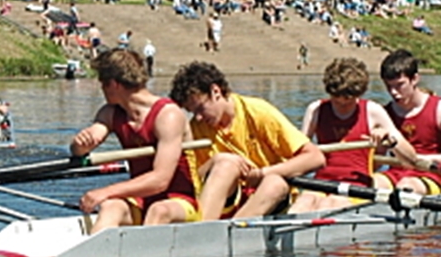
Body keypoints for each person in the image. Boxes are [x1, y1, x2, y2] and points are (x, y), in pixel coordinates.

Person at [168, 61, 325, 220]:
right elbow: (192, 181)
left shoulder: (258, 112)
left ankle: (233, 228)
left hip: (268, 197)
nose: (198, 118)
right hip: (228, 199)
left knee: (275, 183)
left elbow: (315, 157)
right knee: (225, 166)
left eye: (201, 108)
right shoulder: (196, 128)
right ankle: (204, 228)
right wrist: (214, 161)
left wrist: (263, 173)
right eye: (192, 112)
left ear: (216, 92)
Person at [69, 49, 200, 233]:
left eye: (102, 83)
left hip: (181, 200)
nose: (101, 89)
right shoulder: (110, 113)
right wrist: (80, 145)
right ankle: (96, 250)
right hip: (142, 199)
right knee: (110, 206)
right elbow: (85, 143)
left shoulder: (167, 115)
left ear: (113, 84)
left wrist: (105, 191)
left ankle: (142, 250)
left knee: (158, 211)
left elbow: (160, 180)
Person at [290, 57, 421, 213]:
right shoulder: (316, 109)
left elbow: (411, 160)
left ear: (359, 94)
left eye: (347, 102)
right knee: (302, 205)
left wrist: (389, 140)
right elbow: (298, 153)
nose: (342, 106)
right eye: (336, 101)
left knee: (330, 204)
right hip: (321, 183)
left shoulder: (373, 111)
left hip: (357, 186)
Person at [377, 49, 441, 195]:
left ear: (415, 79)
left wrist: (422, 159)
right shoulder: (383, 113)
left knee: (406, 186)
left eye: (399, 85)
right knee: (373, 182)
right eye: (389, 86)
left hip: (429, 174)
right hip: (395, 173)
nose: (393, 92)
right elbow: (376, 162)